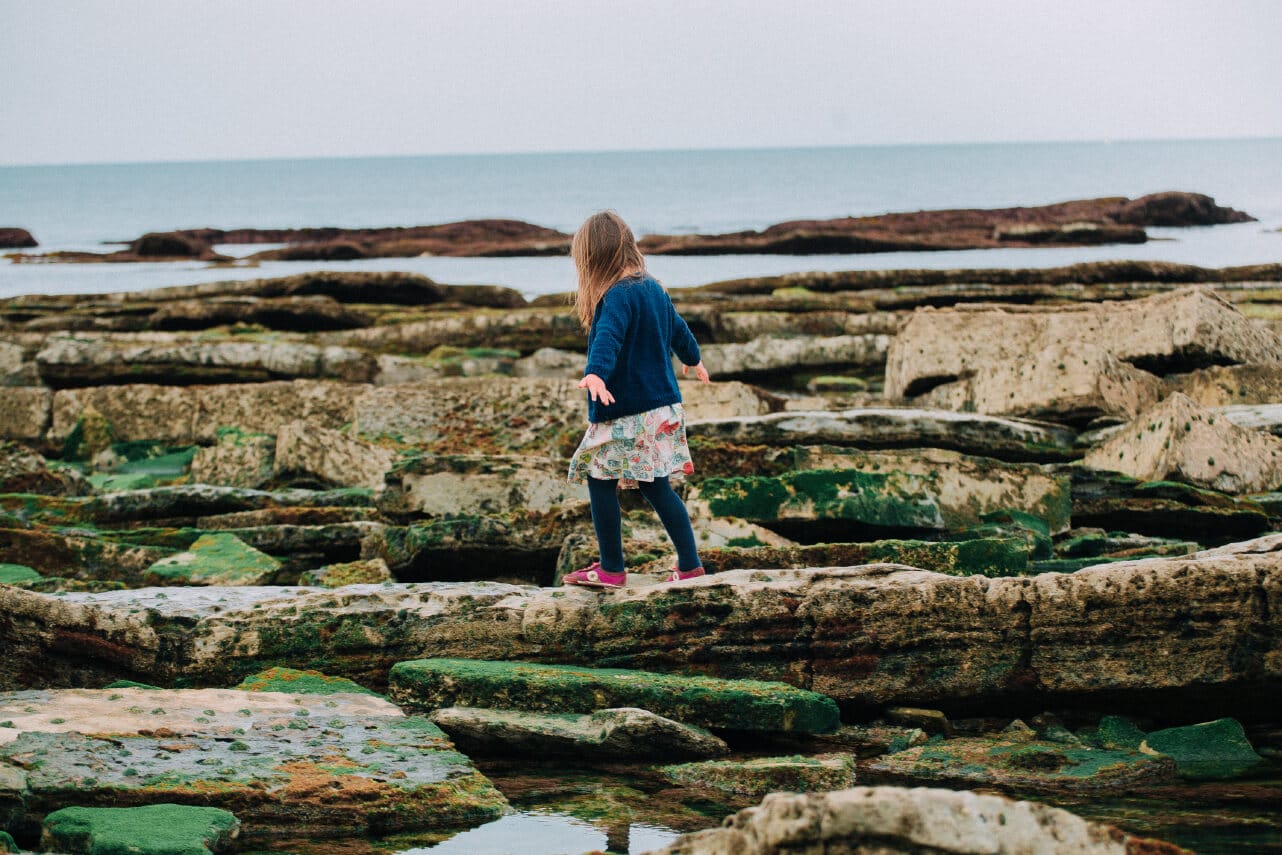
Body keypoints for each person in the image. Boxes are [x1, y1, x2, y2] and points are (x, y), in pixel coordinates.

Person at [562, 210, 710, 590]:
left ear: (592, 258)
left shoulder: (615, 296)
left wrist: (595, 372)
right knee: (657, 484)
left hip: (627, 411)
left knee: (600, 479)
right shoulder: (654, 288)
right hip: (661, 406)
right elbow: (679, 329)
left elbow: (609, 337)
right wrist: (693, 358)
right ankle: (690, 566)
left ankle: (612, 568)